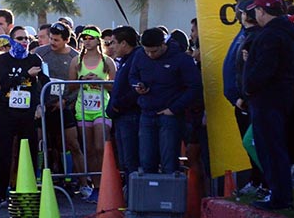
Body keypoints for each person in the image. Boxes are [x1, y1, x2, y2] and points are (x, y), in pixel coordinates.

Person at [243, 0, 294, 210]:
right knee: (274, 147)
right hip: (279, 96)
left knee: (270, 148)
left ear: (262, 11)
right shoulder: (287, 32)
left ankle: (279, 197)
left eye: (256, 10)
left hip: (267, 99)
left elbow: (265, 70)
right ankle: (280, 194)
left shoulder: (270, 36)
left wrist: (249, 85)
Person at [0, 25, 49, 209]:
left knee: (29, 151)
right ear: (11, 40)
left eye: (26, 39)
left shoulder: (34, 58)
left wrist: (41, 104)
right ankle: (0, 194)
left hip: (28, 112)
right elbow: (4, 84)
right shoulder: (2, 59)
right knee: (4, 153)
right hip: (7, 112)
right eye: (20, 38)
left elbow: (46, 83)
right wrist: (25, 74)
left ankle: (29, 191)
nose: (24, 41)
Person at [129, 27, 201, 174]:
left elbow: (194, 87)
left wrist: (174, 109)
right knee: (147, 161)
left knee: (169, 162)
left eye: (154, 51)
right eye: (147, 51)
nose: (150, 55)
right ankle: (150, 194)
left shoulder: (181, 59)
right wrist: (137, 86)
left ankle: (169, 195)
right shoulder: (139, 56)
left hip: (170, 115)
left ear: (163, 45)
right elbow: (132, 76)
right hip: (147, 113)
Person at [222, 0, 266, 195]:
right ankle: (259, 181)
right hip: (240, 102)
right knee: (250, 144)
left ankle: (267, 183)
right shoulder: (244, 34)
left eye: (240, 7)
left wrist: (244, 99)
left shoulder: (256, 35)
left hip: (250, 102)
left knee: (257, 144)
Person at [68, 26, 116, 203]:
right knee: (88, 149)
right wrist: (82, 80)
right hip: (83, 108)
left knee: (101, 147)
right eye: (84, 38)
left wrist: (99, 82)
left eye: (91, 38)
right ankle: (96, 186)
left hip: (102, 108)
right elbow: (70, 86)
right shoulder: (76, 61)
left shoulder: (107, 61)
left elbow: (115, 86)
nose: (87, 41)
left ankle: (107, 184)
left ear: (98, 40)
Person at [35, 23, 84, 184]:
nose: (52, 43)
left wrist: (66, 100)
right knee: (40, 141)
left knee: (72, 144)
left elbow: (78, 84)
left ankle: (80, 182)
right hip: (43, 107)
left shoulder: (75, 57)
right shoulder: (41, 52)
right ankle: (39, 178)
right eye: (50, 38)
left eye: (56, 40)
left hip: (65, 107)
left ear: (67, 40)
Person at [105, 26, 142, 176]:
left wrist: (119, 106)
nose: (111, 46)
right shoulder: (126, 60)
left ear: (124, 43)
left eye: (113, 42)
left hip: (130, 116)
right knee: (124, 160)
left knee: (131, 159)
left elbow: (135, 89)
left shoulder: (136, 59)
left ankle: (135, 194)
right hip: (121, 117)